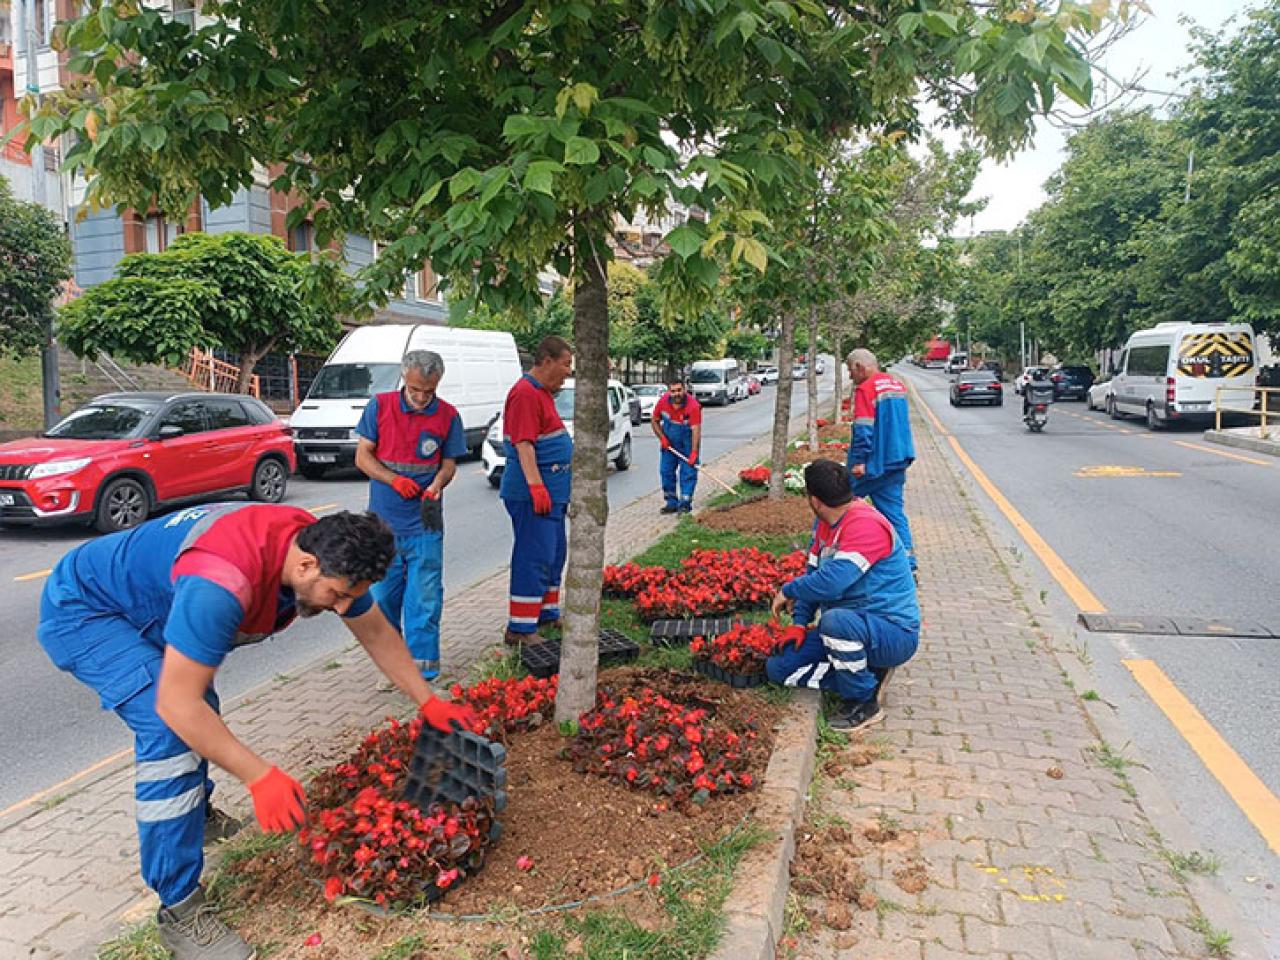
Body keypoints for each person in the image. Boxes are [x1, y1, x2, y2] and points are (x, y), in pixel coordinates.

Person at [36, 505, 475, 960]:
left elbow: (376, 632)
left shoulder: (321, 548)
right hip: (87, 610)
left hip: (149, 600)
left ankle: (196, 818)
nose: (342, 607)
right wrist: (259, 776)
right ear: (306, 565)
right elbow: (175, 705)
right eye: (338, 595)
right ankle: (180, 909)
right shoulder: (221, 583)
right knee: (172, 728)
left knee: (198, 708)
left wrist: (429, 701)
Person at [766, 459, 920, 731]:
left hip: (892, 632)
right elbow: (815, 573)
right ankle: (867, 673)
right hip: (852, 628)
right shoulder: (825, 524)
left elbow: (831, 584)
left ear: (814, 500)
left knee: (834, 622)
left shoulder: (866, 525)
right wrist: (799, 624)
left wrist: (788, 590)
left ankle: (864, 701)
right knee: (779, 667)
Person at [355, 349, 467, 680]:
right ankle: (391, 669)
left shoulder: (448, 416)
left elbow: (449, 464)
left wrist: (437, 483)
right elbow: (363, 457)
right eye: (415, 389)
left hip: (425, 523)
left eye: (429, 391)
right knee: (383, 599)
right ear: (404, 378)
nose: (421, 397)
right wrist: (393, 479)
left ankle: (424, 671)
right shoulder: (380, 406)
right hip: (384, 526)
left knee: (425, 599)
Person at [499, 336, 574, 645]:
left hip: (552, 494)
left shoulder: (543, 394)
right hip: (533, 496)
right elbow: (524, 444)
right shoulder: (525, 394)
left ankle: (545, 612)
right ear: (547, 361)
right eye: (566, 364)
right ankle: (520, 628)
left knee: (553, 553)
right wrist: (536, 486)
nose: (569, 371)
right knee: (534, 555)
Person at [845, 348, 917, 574]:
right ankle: (908, 565)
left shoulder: (866, 389)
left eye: (850, 370)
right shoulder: (896, 385)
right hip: (897, 459)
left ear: (860, 367)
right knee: (894, 514)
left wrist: (858, 462)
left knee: (835, 503)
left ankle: (825, 556)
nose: (850, 376)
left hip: (873, 464)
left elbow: (864, 431)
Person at [651, 378, 703, 514]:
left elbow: (696, 431)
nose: (676, 394)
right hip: (669, 444)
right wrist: (662, 438)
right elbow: (654, 420)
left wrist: (694, 452)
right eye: (673, 391)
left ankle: (685, 503)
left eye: (679, 390)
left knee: (687, 474)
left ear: (684, 390)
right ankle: (671, 502)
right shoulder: (663, 402)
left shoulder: (693, 406)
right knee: (666, 471)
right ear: (669, 392)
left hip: (687, 444)